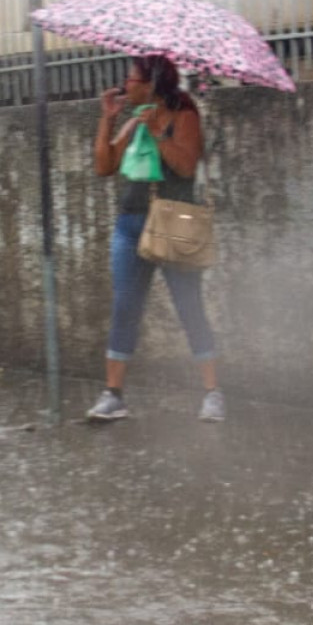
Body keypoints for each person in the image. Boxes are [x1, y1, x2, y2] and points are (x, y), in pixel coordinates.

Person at [86, 54, 223, 423]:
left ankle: (213, 393)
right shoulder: (133, 120)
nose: (125, 85)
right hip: (130, 225)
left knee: (188, 305)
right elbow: (103, 165)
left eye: (132, 79)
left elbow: (185, 165)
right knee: (124, 307)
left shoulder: (183, 113)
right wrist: (109, 118)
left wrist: (159, 131)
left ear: (152, 82)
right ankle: (113, 395)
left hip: (172, 223)